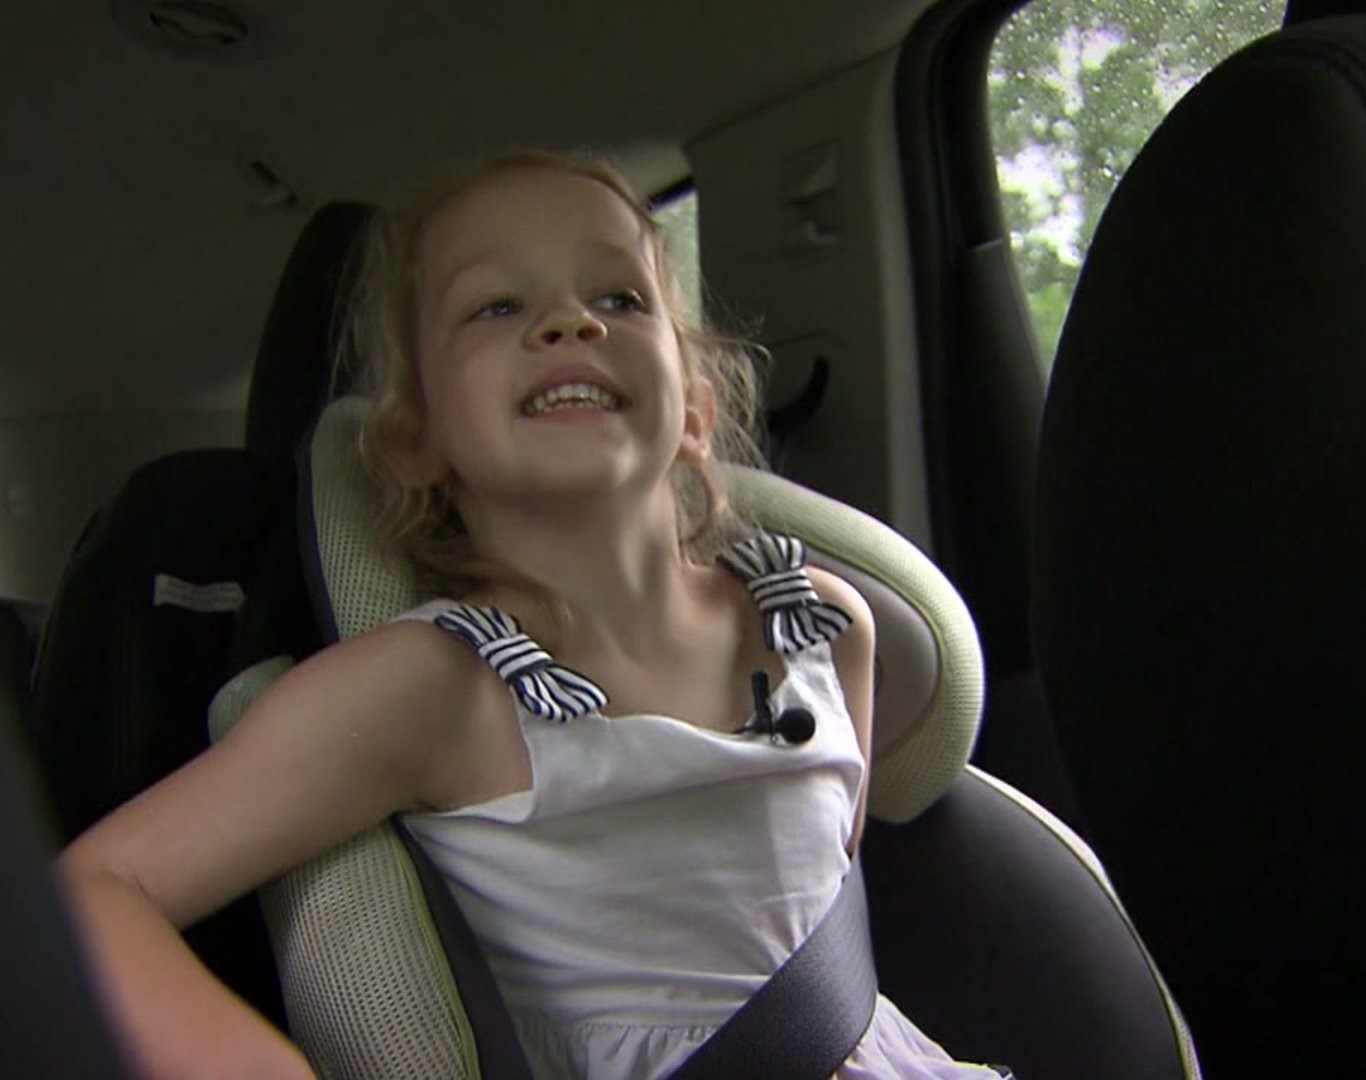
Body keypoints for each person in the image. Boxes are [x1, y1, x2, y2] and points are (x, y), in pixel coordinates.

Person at [57, 150, 1004, 1079]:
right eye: (496, 307)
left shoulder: (823, 624)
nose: (567, 322)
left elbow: (823, 942)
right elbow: (94, 891)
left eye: (620, 299)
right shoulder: (429, 688)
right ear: (416, 438)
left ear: (694, 413)